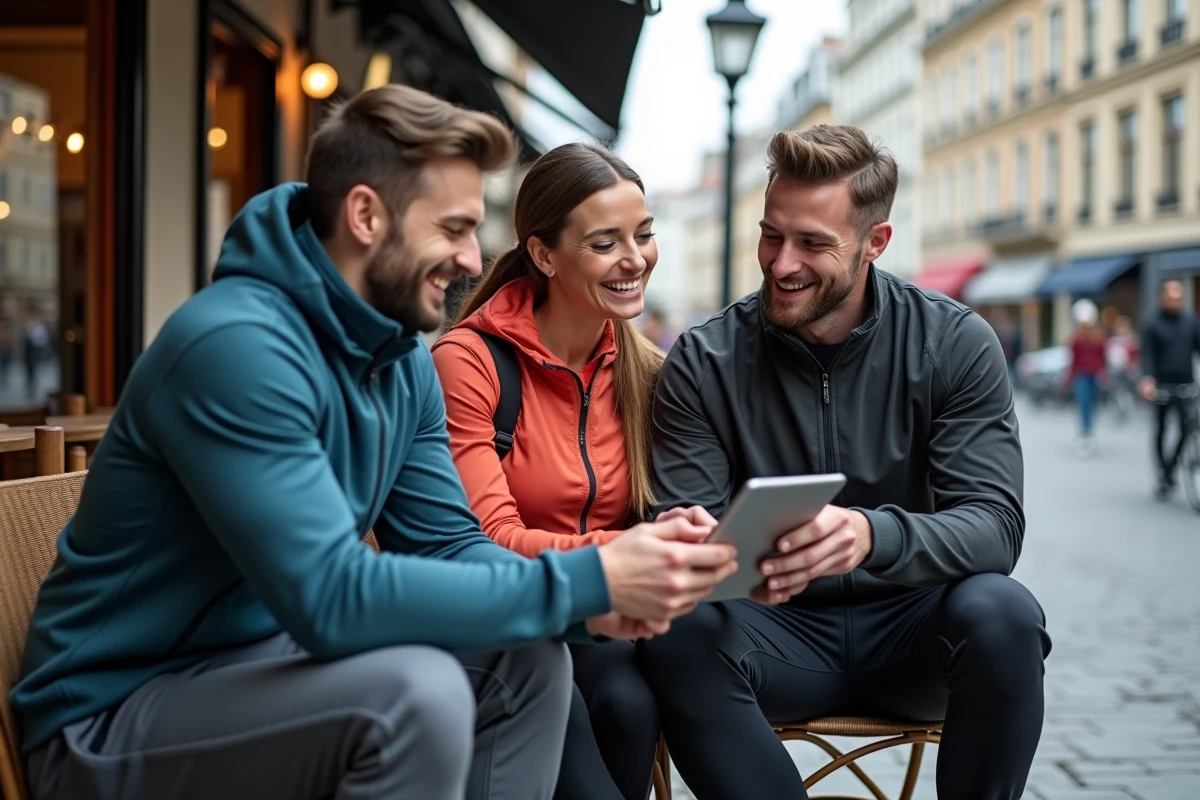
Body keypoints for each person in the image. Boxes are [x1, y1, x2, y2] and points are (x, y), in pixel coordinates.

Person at [11, 85, 737, 800]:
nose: (472, 260)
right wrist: (590, 581)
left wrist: (597, 597)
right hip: (113, 712)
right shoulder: (233, 348)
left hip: (268, 664)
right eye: (452, 229)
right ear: (366, 216)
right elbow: (329, 595)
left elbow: (450, 546)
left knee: (527, 661)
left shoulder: (401, 360)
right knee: (415, 697)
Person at [636, 124, 1050, 800]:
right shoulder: (706, 359)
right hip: (769, 636)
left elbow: (995, 527)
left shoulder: (955, 342)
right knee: (675, 630)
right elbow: (684, 539)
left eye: (812, 243)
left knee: (1005, 613)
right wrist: (697, 544)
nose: (782, 264)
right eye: (771, 235)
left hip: (915, 636)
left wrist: (868, 535)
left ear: (874, 242)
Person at [432, 143, 672, 800]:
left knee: (630, 705)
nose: (635, 259)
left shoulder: (648, 371)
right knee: (564, 710)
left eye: (644, 234)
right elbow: (487, 540)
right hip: (503, 622)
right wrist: (624, 556)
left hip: (601, 624)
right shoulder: (469, 362)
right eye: (605, 243)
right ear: (543, 254)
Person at [1139, 279, 1200, 497]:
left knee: (1188, 426)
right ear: (1162, 298)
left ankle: (1171, 466)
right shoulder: (1152, 324)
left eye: (1178, 297)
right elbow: (1147, 354)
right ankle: (1162, 471)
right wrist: (1148, 380)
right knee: (1161, 428)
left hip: (1186, 384)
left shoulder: (1190, 322)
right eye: (1171, 297)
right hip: (1162, 386)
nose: (1175, 301)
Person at [1066, 298, 1107, 457]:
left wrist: (1104, 374)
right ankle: (1084, 434)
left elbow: (1103, 358)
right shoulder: (1076, 338)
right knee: (1083, 404)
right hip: (1081, 375)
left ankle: (1089, 433)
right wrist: (1069, 378)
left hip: (1094, 375)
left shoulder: (1099, 337)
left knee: (1091, 406)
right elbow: (1073, 360)